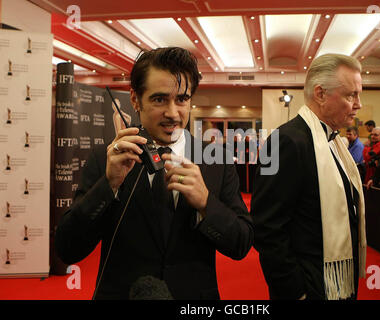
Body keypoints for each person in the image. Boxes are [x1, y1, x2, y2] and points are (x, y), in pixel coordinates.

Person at [55, 47, 254, 300]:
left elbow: (241, 244)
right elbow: (68, 248)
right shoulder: (107, 158)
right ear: (135, 100)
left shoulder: (216, 160)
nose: (173, 113)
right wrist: (109, 185)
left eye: (181, 99)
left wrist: (206, 203)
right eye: (159, 99)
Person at [251, 53, 366, 300]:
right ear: (321, 94)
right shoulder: (286, 141)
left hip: (332, 280)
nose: (359, 104)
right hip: (308, 285)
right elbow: (267, 228)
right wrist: (295, 291)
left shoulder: (335, 143)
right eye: (350, 95)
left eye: (358, 94)